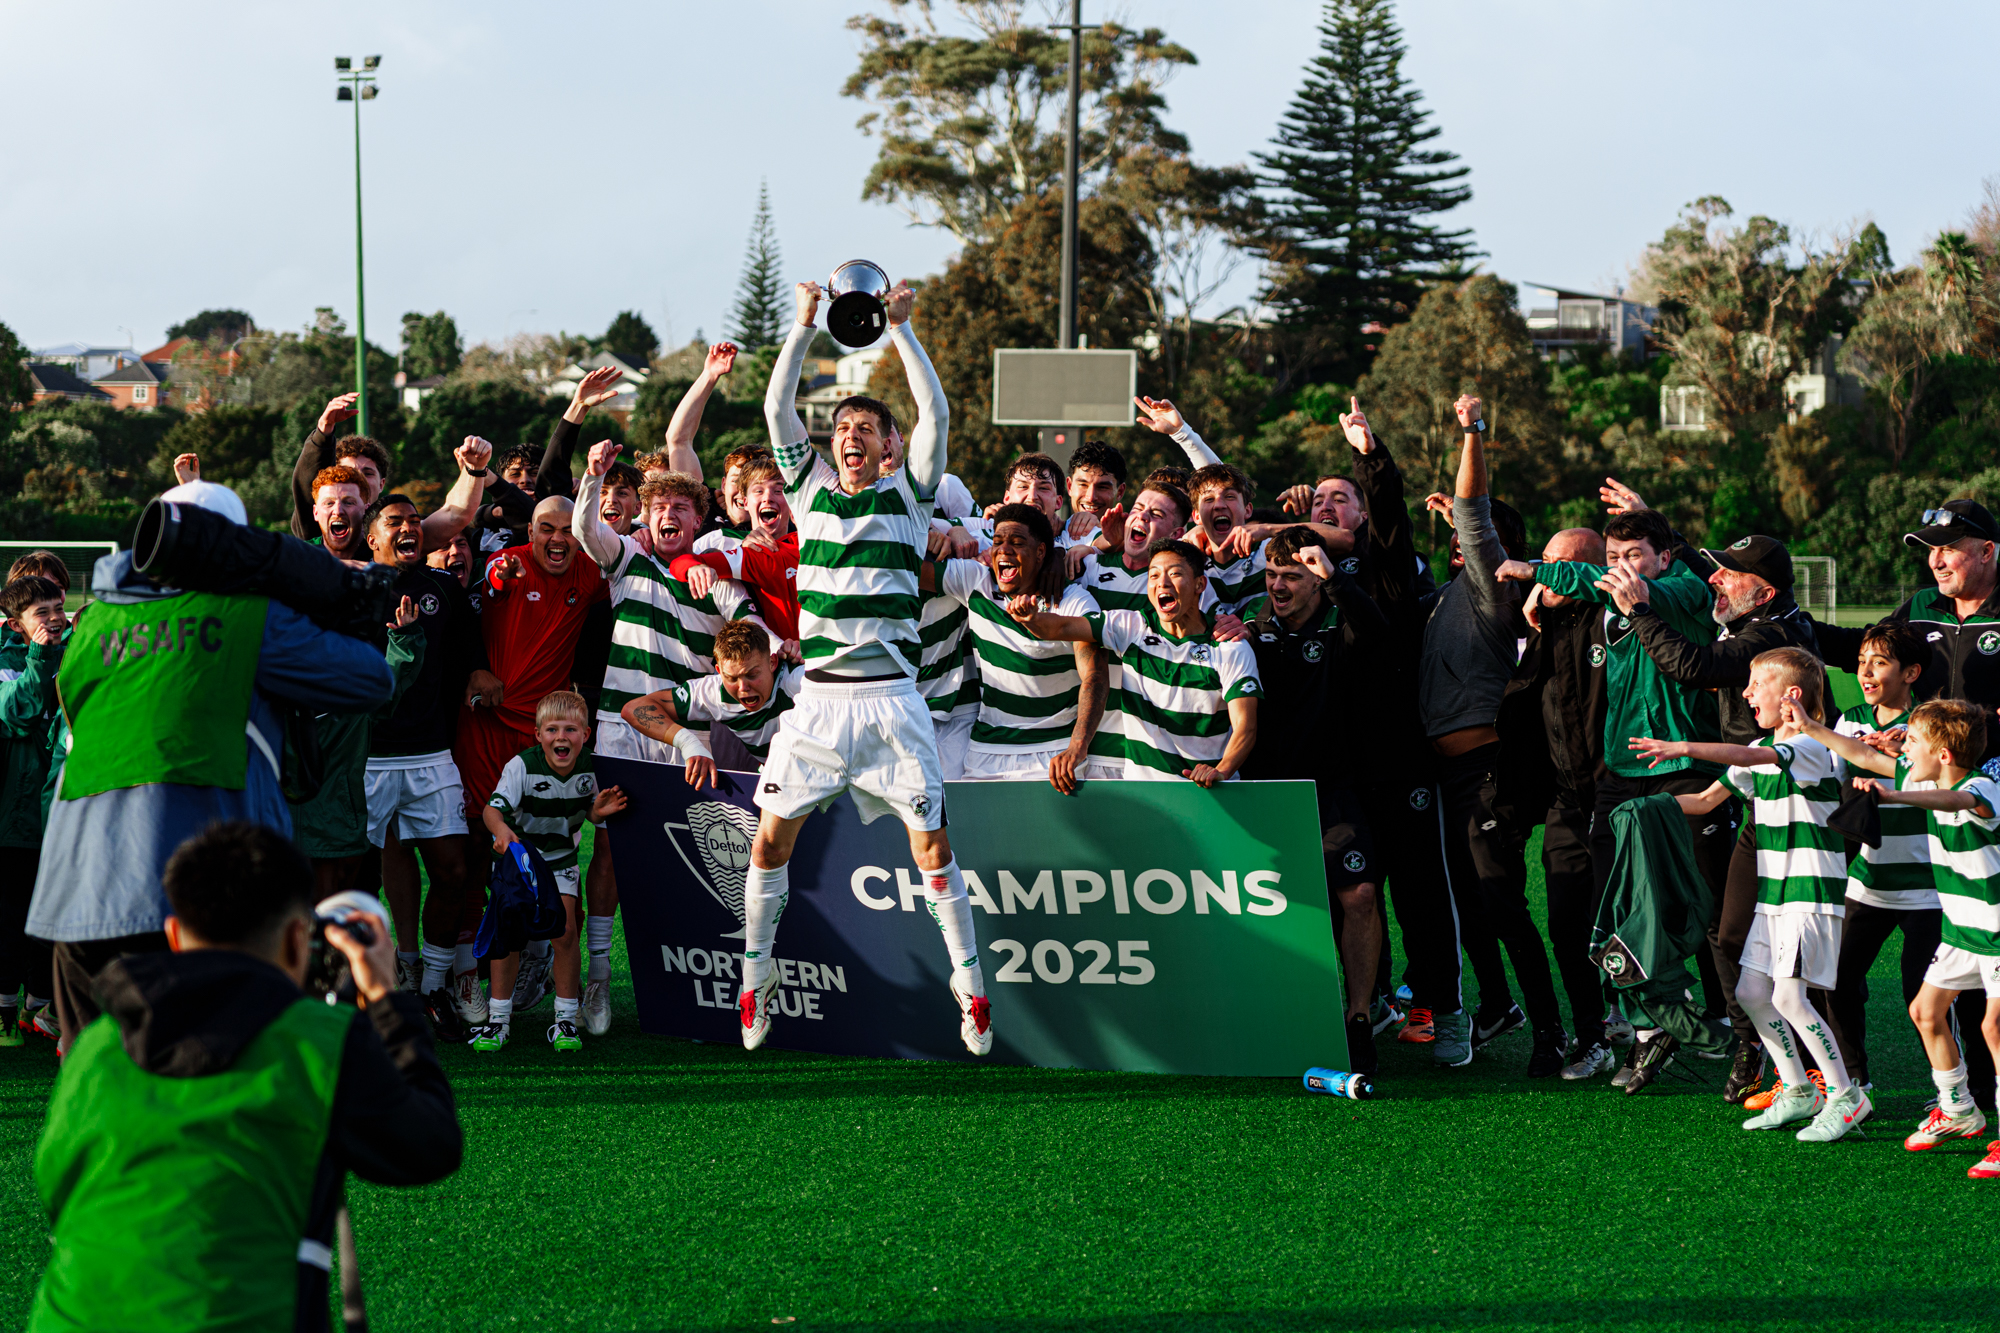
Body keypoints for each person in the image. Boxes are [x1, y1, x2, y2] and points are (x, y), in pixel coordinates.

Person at [29, 822, 461, 1331]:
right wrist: (386, 998)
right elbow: (431, 1145)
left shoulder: (99, 1042)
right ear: (298, 940)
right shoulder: (317, 1041)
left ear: (174, 934)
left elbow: (54, 1179)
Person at [28, 484, 395, 1051]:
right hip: (197, 894)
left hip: (76, 890)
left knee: (97, 1083)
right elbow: (371, 679)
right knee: (214, 1082)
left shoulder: (92, 624)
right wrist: (316, 588)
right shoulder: (246, 614)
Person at [741, 276, 993, 1056]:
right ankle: (755, 974)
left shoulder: (912, 496)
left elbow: (936, 414)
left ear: (888, 445)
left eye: (867, 427)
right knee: (767, 845)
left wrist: (902, 330)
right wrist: (803, 323)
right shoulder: (808, 489)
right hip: (818, 705)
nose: (851, 434)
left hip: (892, 704)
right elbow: (777, 408)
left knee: (932, 851)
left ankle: (971, 988)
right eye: (842, 425)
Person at [1499, 506, 1737, 1089]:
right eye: (1614, 557)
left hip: (1684, 766)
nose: (1622, 567)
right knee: (1614, 909)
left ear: (1664, 557)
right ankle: (1649, 1027)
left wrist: (1535, 570)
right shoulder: (1608, 605)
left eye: (1635, 555)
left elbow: (1596, 579)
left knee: (1706, 908)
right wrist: (1547, 590)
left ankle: (1738, 1029)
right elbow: (1587, 587)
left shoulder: (1683, 590)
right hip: (1623, 774)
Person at [1631, 648, 1866, 1136]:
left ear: (1791, 695)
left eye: (1757, 684)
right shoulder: (1763, 747)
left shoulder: (1811, 746)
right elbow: (1705, 800)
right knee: (1751, 992)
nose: (1746, 693)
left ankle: (1847, 1095)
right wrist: (1647, 807)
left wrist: (1684, 748)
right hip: (1774, 897)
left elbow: (1753, 756)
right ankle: (1798, 1089)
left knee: (1792, 998)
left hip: (1810, 893)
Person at [1818, 498, 2000, 1110]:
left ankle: (1979, 1094)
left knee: (1982, 975)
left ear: (1987, 551)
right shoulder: (1921, 608)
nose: (1937, 561)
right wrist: (1786, 620)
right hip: (1937, 798)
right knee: (1955, 961)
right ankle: (1956, 1100)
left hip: (1987, 795)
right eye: (1930, 551)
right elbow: (1864, 647)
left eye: (1949, 549)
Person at [1418, 395, 1568, 1076]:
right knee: (1467, 902)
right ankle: (1500, 1003)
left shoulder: (1489, 588)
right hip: (1447, 776)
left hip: (1486, 770)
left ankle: (1552, 1031)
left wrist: (1472, 433)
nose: (1459, 537)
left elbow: (1475, 515)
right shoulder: (1442, 597)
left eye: (1470, 535)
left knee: (1502, 903)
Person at [1241, 526, 1390, 1072]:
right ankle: (1292, 1014)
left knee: (1361, 895)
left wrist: (1335, 581)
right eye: (1271, 575)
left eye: (1291, 576)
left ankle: (1359, 1018)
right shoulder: (1251, 624)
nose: (1278, 586)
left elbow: (1379, 634)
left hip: (1333, 789)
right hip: (1266, 794)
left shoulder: (1340, 619)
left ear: (1316, 579)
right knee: (1283, 906)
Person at [1841, 699, 2000, 1176]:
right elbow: (1868, 757)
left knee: (1994, 1028)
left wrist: (1892, 797)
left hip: (1997, 933)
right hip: (1962, 932)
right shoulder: (1927, 779)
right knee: (1925, 1012)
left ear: (1944, 755)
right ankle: (1958, 1110)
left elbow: (1957, 802)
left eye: (1911, 742)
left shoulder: (1981, 786)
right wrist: (1810, 726)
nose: (1902, 749)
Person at [360, 494, 495, 1034]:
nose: (409, 528)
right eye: (395, 522)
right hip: (368, 759)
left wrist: (479, 669)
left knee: (453, 870)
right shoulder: (354, 587)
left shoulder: (442, 588)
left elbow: (468, 644)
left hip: (431, 753)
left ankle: (435, 986)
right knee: (355, 878)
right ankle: (373, 985)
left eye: (416, 521)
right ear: (372, 537)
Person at [1499, 529, 1626, 1080]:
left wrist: (1541, 580)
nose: (1544, 569)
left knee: (1628, 922)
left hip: (1619, 797)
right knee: (1567, 926)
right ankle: (1593, 1036)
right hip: (1565, 803)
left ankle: (1648, 1028)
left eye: (1556, 563)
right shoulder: (1538, 623)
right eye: (1543, 559)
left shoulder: (1615, 620)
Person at [1008, 538, 1261, 786]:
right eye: (1153, 575)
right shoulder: (1133, 627)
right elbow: (1061, 627)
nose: (1162, 583)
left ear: (1199, 584)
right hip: (1143, 793)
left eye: (1174, 574)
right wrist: (1032, 619)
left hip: (1209, 793)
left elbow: (1245, 728)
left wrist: (1221, 770)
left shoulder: (1230, 648)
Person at [473, 692, 627, 1054]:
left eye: (570, 729)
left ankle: (565, 1019)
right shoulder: (521, 766)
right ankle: (498, 1020)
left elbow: (589, 810)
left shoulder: (591, 766)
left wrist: (598, 812)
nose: (562, 737)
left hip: (559, 860)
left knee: (566, 932)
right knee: (509, 936)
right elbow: (491, 810)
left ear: (585, 734)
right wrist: (502, 832)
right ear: (538, 734)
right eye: (552, 729)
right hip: (518, 858)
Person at [927, 504, 1105, 788]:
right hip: (985, 752)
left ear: (1041, 551)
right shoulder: (976, 582)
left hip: (1053, 753)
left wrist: (1077, 747)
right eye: (998, 542)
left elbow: (1095, 677)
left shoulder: (1073, 601)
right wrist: (933, 532)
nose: (1004, 550)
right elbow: (904, 568)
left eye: (1017, 542)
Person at [288, 594, 426, 902]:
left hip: (335, 830)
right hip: (284, 830)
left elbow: (390, 683)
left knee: (329, 919)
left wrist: (404, 638)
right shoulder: (269, 699)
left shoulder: (354, 700)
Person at [1070, 481, 1205, 780]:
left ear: (1177, 534)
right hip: (1086, 750)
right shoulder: (1088, 567)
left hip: (1152, 759)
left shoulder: (1184, 586)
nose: (1142, 517)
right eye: (1138, 509)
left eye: (1156, 514)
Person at [289, 395, 495, 550]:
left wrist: (475, 469)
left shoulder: (394, 535)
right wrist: (323, 432)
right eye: (348, 473)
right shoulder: (307, 547)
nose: (358, 479)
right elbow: (305, 486)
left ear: (382, 484)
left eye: (367, 473)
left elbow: (454, 515)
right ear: (316, 511)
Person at [0, 574, 65, 1047]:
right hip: (14, 817)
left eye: (58, 607)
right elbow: (17, 712)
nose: (54, 619)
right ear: (15, 624)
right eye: (41, 613)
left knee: (53, 918)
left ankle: (40, 1008)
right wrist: (41, 658)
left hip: (60, 814)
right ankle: (5, 1011)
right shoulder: (7, 664)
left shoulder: (76, 654)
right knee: (9, 918)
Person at [621, 620, 805, 776]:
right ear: (719, 671)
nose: (743, 688)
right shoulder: (713, 692)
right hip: (776, 776)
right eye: (731, 678)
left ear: (772, 662)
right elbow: (633, 709)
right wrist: (689, 744)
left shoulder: (797, 679)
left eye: (752, 674)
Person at [669, 454, 801, 643]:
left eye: (778, 491)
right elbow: (681, 562)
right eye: (758, 490)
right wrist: (695, 568)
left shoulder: (813, 543)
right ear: (745, 502)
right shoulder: (748, 553)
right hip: (776, 655)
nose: (768, 498)